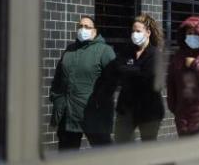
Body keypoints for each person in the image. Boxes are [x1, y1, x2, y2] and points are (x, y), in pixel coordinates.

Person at [49, 15, 116, 150]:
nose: (82, 29)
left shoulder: (104, 51)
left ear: (95, 31)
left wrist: (99, 100)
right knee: (67, 157)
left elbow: (113, 79)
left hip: (92, 114)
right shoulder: (70, 50)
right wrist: (56, 98)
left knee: (105, 154)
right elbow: (58, 78)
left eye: (87, 27)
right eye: (80, 26)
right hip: (68, 114)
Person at [113, 13, 165, 143]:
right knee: (121, 144)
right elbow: (117, 69)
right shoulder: (126, 51)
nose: (134, 34)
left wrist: (129, 70)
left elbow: (148, 76)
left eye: (138, 31)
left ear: (148, 32)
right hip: (126, 108)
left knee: (148, 148)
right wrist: (138, 70)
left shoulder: (155, 54)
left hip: (149, 110)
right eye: (133, 31)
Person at [166, 14, 199, 136]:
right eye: (189, 34)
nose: (191, 37)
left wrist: (195, 64)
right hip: (182, 116)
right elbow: (171, 83)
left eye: (195, 34)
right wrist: (173, 107)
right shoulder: (179, 56)